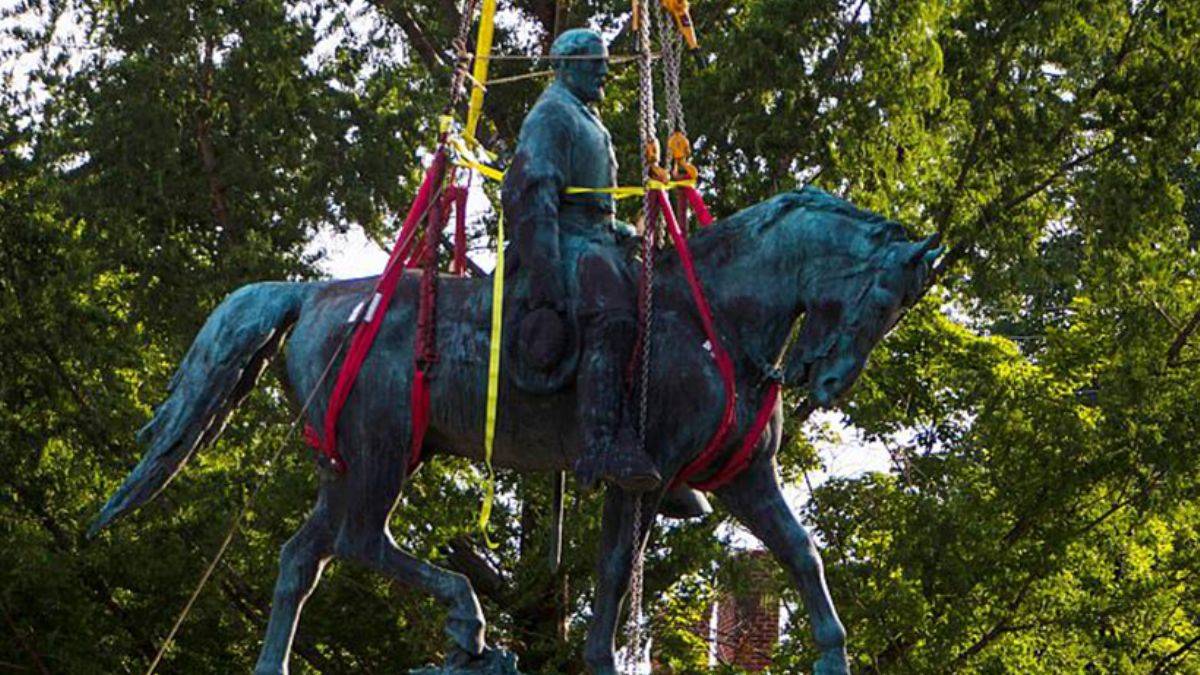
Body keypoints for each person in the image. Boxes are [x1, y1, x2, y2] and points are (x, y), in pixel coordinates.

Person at [501, 28, 661, 492]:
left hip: (594, 238)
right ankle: (601, 441)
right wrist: (545, 275)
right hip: (562, 241)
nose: (604, 70)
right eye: (594, 61)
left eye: (605, 61)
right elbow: (534, 196)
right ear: (566, 64)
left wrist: (620, 232)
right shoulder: (552, 115)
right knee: (613, 314)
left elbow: (595, 203)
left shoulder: (585, 116)